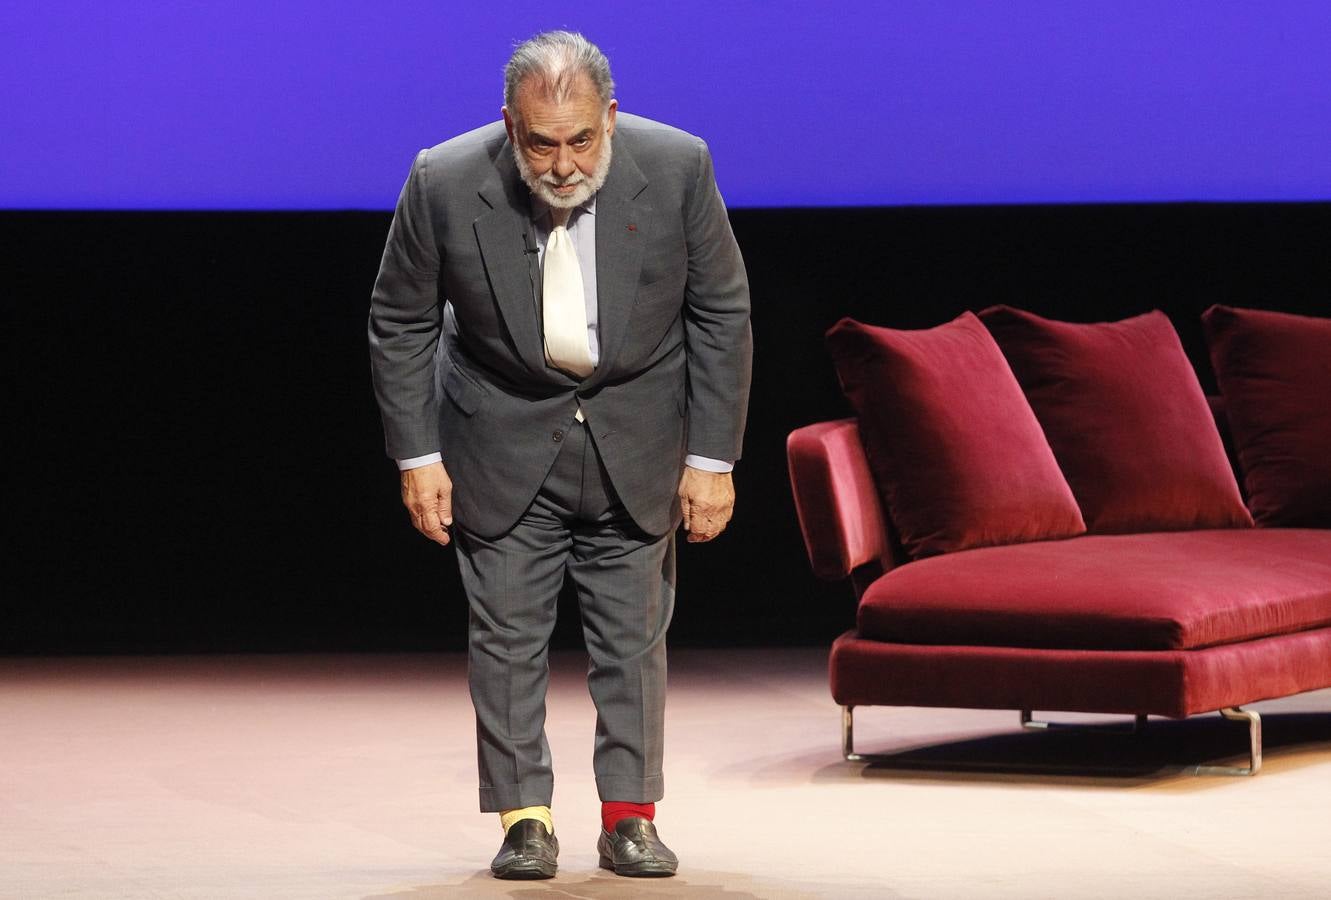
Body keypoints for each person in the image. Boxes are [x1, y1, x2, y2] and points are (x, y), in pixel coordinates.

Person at [367, 31, 752, 879]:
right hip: (497, 434)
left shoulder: (679, 165)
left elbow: (720, 313)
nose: (565, 162)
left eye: (582, 138)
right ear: (510, 126)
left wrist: (714, 460)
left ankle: (630, 818)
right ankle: (524, 821)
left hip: (638, 434)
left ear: (609, 119)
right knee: (504, 638)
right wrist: (416, 456)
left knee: (633, 642)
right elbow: (399, 319)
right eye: (543, 142)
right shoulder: (442, 177)